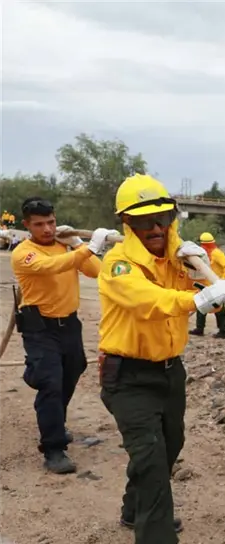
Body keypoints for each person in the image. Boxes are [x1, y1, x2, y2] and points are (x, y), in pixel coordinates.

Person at [98, 174, 225, 543]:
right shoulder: (118, 265)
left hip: (170, 374)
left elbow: (212, 288)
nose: (156, 227)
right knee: (151, 465)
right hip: (128, 378)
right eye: (144, 220)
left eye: (163, 218)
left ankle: (134, 509)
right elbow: (148, 301)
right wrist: (197, 299)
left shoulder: (176, 261)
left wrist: (198, 265)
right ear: (127, 224)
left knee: (169, 446)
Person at [10, 197, 117, 474]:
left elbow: (97, 273)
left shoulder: (65, 245)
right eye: (39, 224)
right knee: (50, 382)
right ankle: (54, 448)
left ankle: (52, 413)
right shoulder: (24, 253)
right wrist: (89, 248)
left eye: (51, 222)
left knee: (73, 370)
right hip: (39, 327)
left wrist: (80, 245)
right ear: (27, 225)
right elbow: (51, 267)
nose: (47, 229)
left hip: (68, 324)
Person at [188, 232, 225, 339]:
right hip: (206, 285)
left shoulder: (216, 253)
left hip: (216, 285)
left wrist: (222, 281)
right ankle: (199, 328)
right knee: (201, 305)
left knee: (219, 308)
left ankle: (223, 331)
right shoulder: (205, 254)